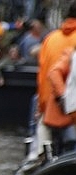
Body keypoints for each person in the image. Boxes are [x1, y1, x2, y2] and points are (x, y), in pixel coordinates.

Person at [32, 1, 76, 160]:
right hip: (69, 114)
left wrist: (42, 107)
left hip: (49, 109)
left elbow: (43, 76)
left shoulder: (50, 38)